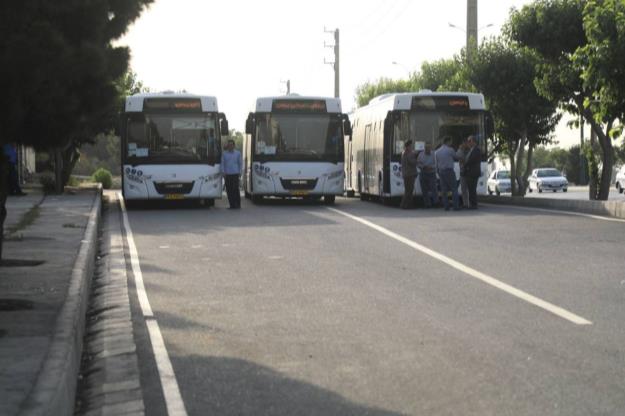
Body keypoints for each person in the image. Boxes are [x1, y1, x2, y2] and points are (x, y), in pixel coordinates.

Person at [434, 136, 459, 211]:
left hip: (441, 172)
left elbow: (436, 164)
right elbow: (456, 157)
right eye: (450, 141)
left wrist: (438, 172)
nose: (451, 143)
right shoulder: (450, 150)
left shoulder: (437, 152)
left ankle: (446, 206)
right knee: (454, 189)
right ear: (448, 142)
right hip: (449, 171)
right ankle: (455, 206)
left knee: (443, 190)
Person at [220, 139, 242, 209]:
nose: (230, 146)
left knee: (235, 189)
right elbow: (222, 164)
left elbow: (240, 163)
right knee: (229, 190)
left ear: (234, 145)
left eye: (231, 145)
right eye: (229, 145)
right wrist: (223, 172)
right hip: (227, 175)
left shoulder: (238, 153)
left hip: (235, 174)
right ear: (227, 146)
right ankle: (232, 205)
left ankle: (238, 204)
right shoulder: (224, 154)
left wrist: (240, 172)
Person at [463, 135, 482, 209]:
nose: (468, 143)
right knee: (471, 189)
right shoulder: (470, 150)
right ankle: (472, 204)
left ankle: (474, 204)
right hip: (469, 172)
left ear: (474, 142)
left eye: (469, 141)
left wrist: (465, 164)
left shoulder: (476, 150)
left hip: (473, 173)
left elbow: (471, 160)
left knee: (472, 189)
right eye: (468, 141)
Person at [417, 142, 437, 208]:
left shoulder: (434, 154)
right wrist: (423, 167)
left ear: (430, 148)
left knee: (434, 188)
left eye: (428, 147)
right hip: (423, 173)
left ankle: (435, 203)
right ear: (424, 148)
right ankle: (427, 204)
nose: (427, 149)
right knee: (424, 189)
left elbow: (437, 163)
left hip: (432, 173)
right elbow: (418, 163)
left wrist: (431, 167)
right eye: (426, 148)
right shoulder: (421, 154)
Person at [400, 140, 418, 209]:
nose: (412, 147)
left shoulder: (404, 152)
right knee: (409, 190)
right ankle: (406, 205)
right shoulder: (408, 153)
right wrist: (417, 159)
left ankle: (405, 205)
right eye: (411, 145)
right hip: (410, 174)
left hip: (406, 174)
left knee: (408, 190)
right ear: (408, 146)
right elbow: (412, 162)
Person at [456, 139, 470, 208]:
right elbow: (458, 157)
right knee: (463, 188)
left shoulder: (470, 150)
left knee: (470, 189)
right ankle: (465, 204)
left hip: (469, 172)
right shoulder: (460, 151)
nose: (465, 144)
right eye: (464, 143)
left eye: (466, 143)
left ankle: (470, 203)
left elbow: (465, 160)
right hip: (463, 171)